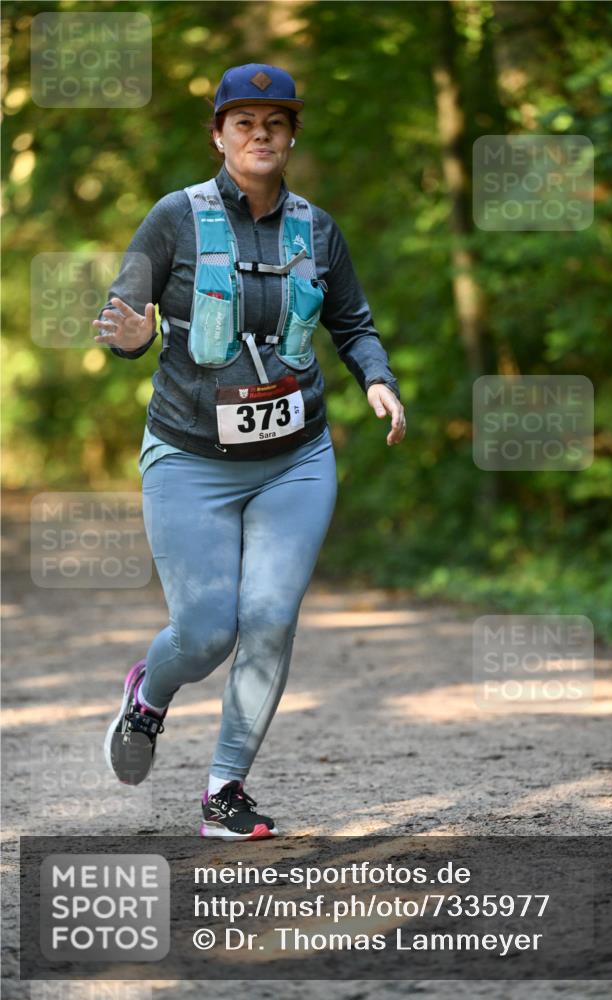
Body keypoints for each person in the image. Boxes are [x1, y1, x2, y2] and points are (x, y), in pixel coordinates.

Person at [95, 63, 406, 840]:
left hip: (294, 456)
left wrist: (377, 378)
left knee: (269, 617)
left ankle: (224, 790)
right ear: (219, 134)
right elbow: (123, 309)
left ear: (291, 133)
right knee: (205, 631)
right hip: (190, 454)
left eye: (275, 122)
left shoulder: (318, 228)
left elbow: (353, 322)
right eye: (244, 122)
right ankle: (147, 699)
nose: (260, 134)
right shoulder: (174, 217)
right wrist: (131, 336)